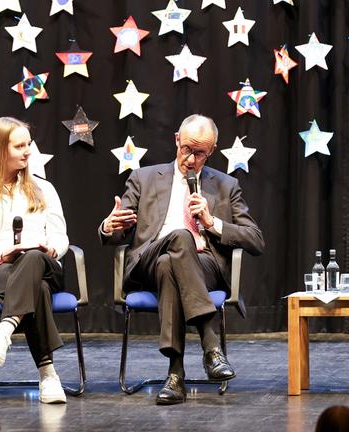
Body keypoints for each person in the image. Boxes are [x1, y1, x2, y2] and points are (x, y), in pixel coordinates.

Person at [98, 114, 264, 405]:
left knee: (170, 264)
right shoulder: (143, 178)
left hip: (202, 266)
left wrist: (212, 222)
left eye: (199, 152)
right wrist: (109, 226)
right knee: (179, 238)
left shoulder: (226, 186)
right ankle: (210, 345)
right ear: (177, 140)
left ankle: (175, 376)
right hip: (146, 262)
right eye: (186, 148)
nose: (190, 158)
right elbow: (115, 232)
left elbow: (255, 240)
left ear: (211, 151)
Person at [0, 117, 69, 404]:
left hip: (46, 267)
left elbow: (61, 238)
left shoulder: (44, 189)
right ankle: (48, 375)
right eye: (19, 146)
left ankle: (4, 330)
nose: (27, 151)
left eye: (28, 144)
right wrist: (2, 254)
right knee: (37, 289)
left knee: (33, 257)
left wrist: (51, 249)